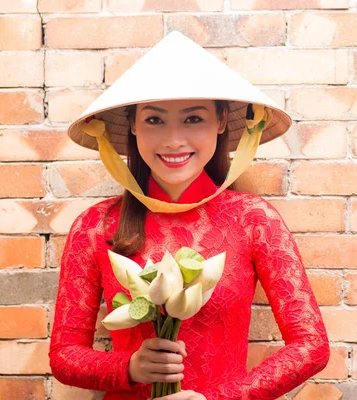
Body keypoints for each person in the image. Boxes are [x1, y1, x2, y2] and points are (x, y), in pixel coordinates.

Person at [49, 31, 329, 400]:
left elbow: (311, 346)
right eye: (154, 120)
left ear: (221, 121)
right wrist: (128, 367)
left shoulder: (253, 220)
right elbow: (64, 355)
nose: (173, 140)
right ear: (133, 125)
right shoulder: (95, 225)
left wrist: (218, 399)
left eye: (193, 118)